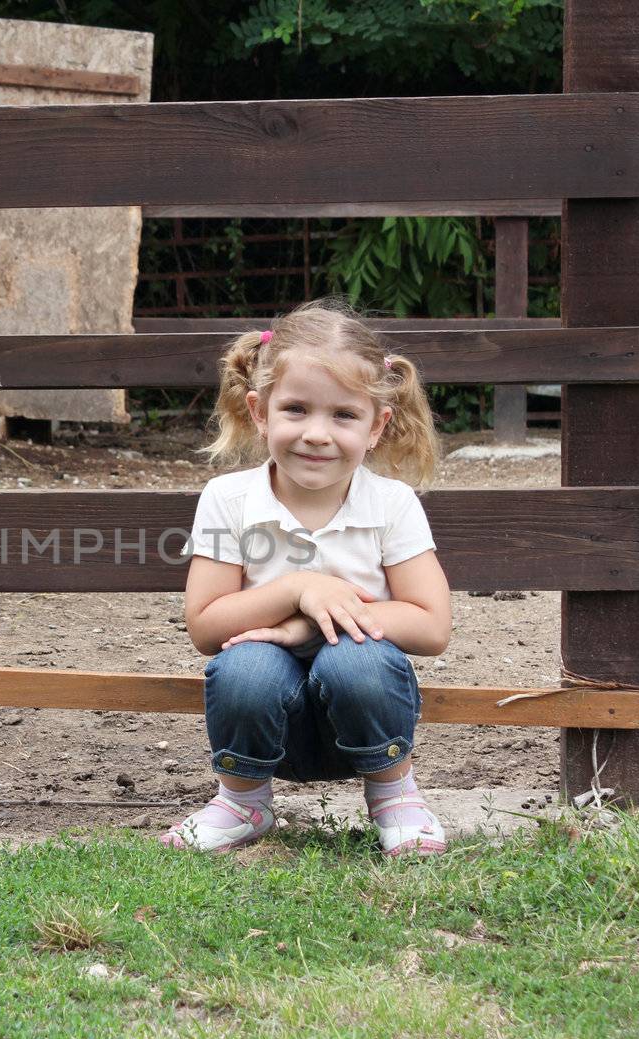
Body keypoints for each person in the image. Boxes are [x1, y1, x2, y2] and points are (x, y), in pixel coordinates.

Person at [164, 298, 452, 856]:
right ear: (260, 412)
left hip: (365, 716)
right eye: (296, 409)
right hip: (265, 718)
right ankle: (242, 802)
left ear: (377, 427)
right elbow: (205, 627)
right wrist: (299, 588)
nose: (317, 433)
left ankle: (395, 798)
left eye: (344, 415)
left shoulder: (391, 504)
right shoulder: (230, 499)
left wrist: (310, 627)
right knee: (245, 665)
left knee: (357, 657)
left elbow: (432, 626)